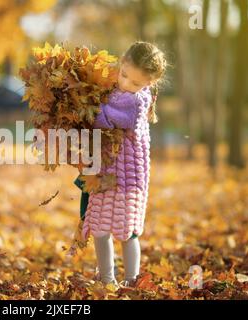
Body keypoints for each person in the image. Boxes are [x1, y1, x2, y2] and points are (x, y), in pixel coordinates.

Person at [74, 41, 167, 288]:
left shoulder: (135, 103)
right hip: (106, 172)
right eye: (123, 75)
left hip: (126, 179)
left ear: (149, 83)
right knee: (101, 228)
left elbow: (103, 119)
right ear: (121, 63)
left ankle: (131, 279)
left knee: (127, 232)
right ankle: (107, 278)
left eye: (135, 83)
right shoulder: (114, 88)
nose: (126, 84)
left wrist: (83, 105)